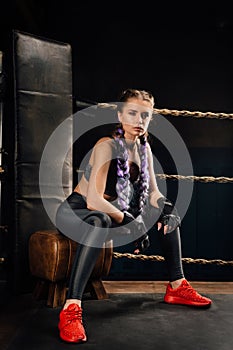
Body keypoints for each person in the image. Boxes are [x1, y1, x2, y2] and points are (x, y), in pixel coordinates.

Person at [55, 88, 212, 344]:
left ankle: (176, 285)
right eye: (132, 113)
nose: (139, 120)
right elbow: (94, 200)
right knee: (101, 220)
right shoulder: (106, 146)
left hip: (108, 212)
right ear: (120, 114)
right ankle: (71, 309)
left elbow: (153, 194)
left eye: (145, 116)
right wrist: (129, 220)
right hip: (76, 211)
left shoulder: (143, 150)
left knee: (167, 214)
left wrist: (167, 206)